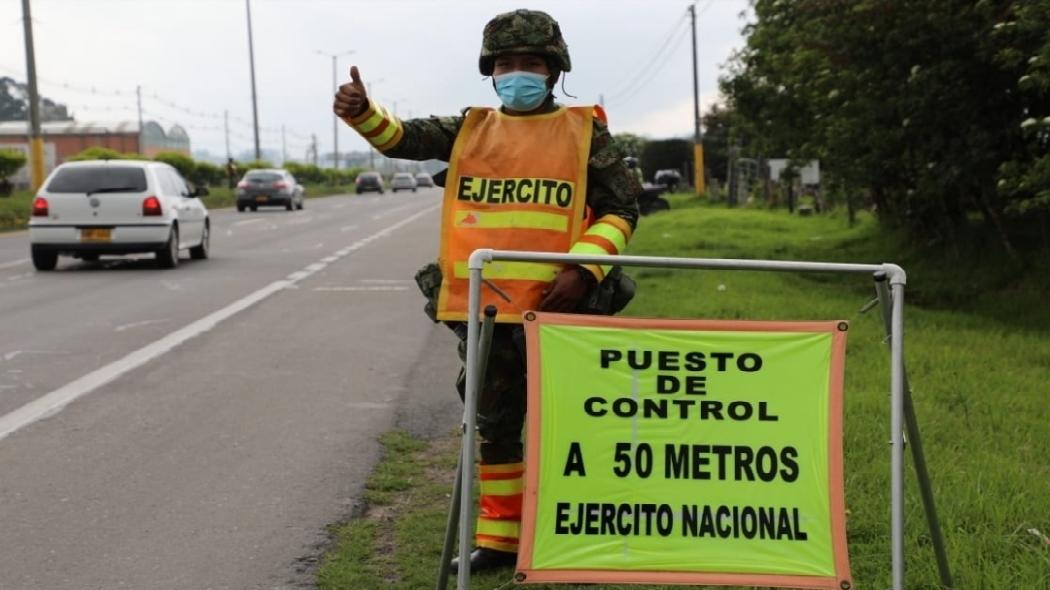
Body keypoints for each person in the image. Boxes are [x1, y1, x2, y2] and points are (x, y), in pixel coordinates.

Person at [333, 8, 641, 573]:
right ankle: (499, 543)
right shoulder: (470, 129)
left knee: (576, 425)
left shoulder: (584, 131)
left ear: (553, 70)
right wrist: (363, 113)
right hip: (488, 310)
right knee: (495, 427)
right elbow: (401, 138)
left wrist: (582, 271)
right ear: (489, 72)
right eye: (505, 64)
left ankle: (579, 537)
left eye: (529, 63)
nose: (516, 73)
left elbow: (623, 208)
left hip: (562, 309)